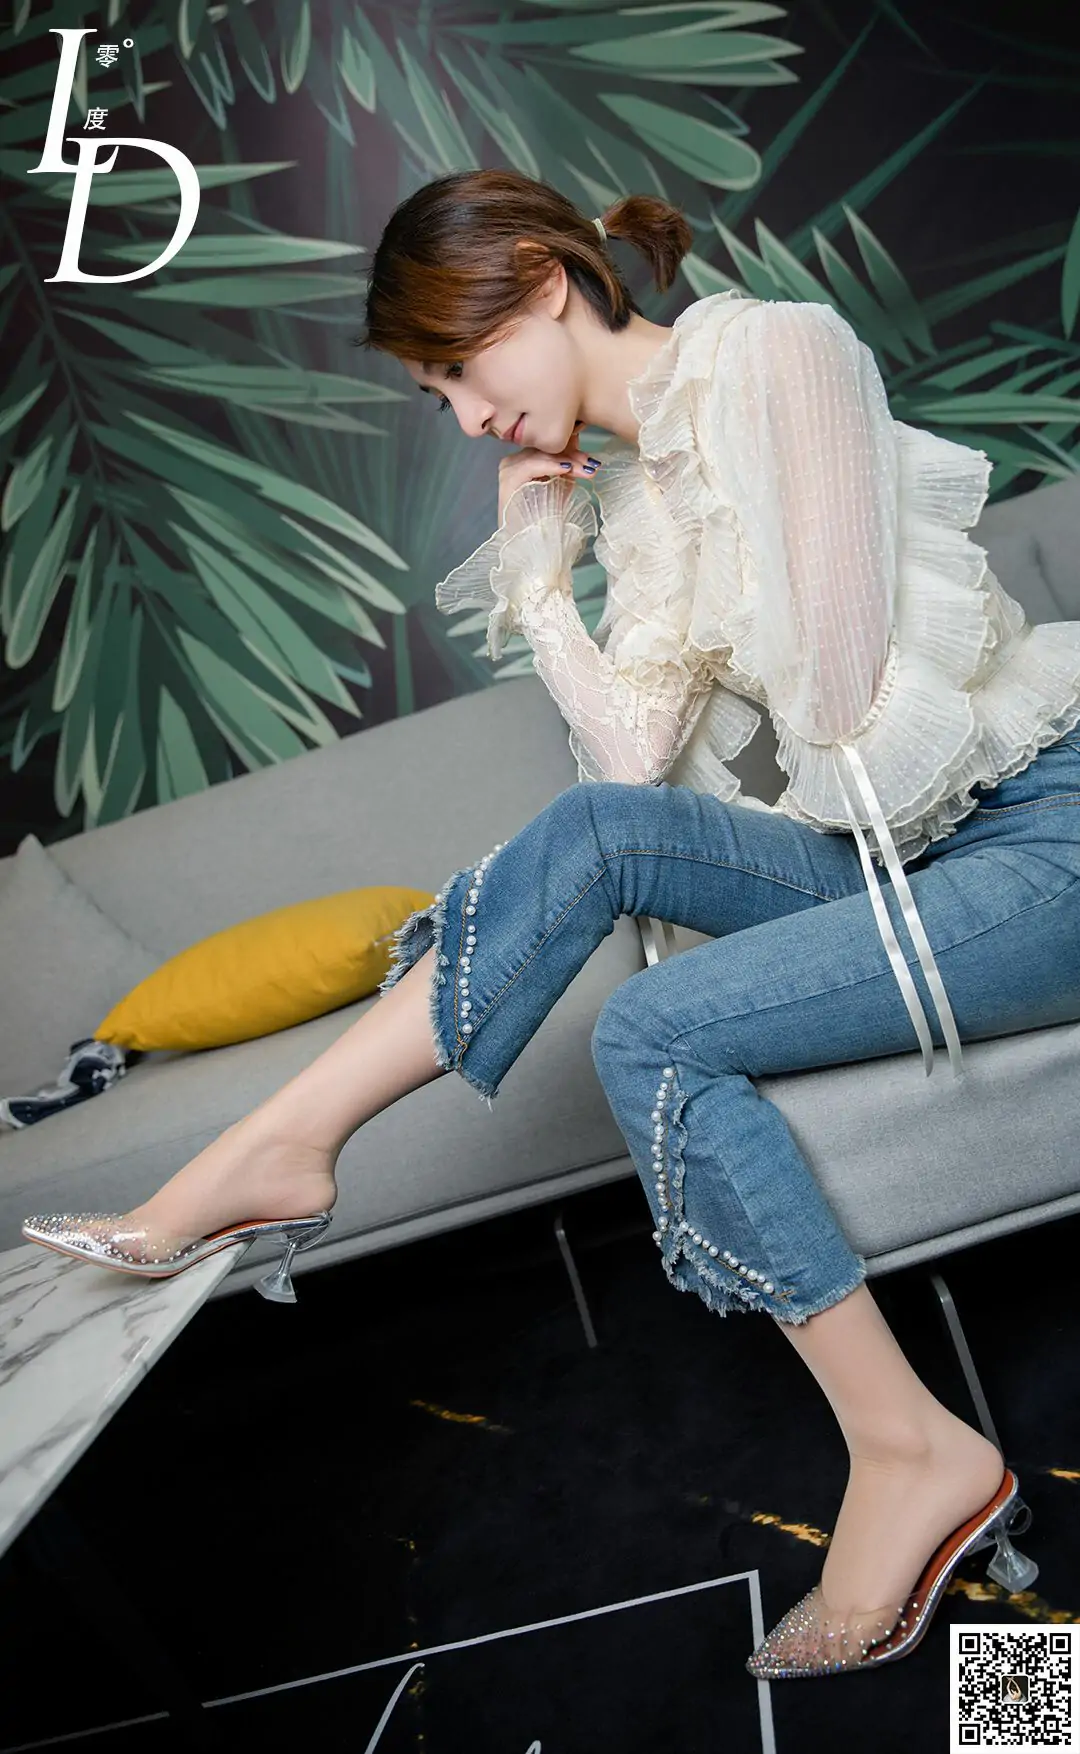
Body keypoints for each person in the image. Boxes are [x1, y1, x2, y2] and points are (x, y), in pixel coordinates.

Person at [22, 170, 1080, 1681]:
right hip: (909, 861)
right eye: (437, 394)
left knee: (654, 1031)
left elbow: (846, 701)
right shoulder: (636, 494)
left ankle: (911, 1456)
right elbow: (630, 782)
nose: (466, 419)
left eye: (460, 368)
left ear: (545, 278)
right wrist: (541, 586)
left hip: (1040, 838)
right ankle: (284, 1147)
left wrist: (723, 492)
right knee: (595, 838)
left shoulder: (778, 355)